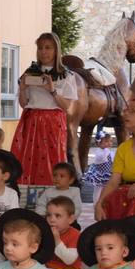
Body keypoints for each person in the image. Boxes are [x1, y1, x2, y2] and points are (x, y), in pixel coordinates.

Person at [12, 32, 78, 192]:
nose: (43, 52)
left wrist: (52, 90)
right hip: (31, 119)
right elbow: (24, 103)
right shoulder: (30, 72)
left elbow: (66, 106)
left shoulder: (66, 75)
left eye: (48, 48)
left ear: (56, 50)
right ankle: (26, 195)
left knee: (52, 157)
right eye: (40, 48)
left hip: (53, 121)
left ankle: (53, 194)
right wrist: (22, 89)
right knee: (29, 157)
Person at [44, 196, 82, 269]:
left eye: (58, 216)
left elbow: (69, 260)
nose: (52, 219)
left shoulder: (75, 235)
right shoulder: (45, 233)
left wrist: (57, 240)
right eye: (49, 215)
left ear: (70, 219)